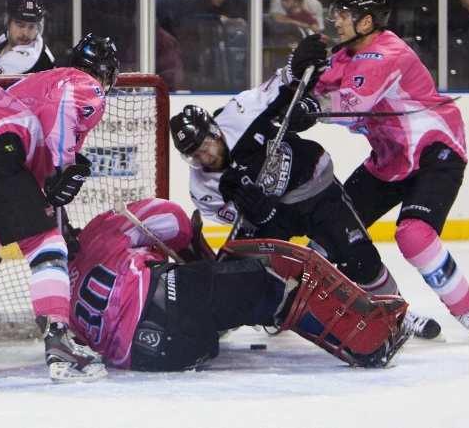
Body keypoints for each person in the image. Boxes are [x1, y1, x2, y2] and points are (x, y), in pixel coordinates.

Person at [286, 0, 469, 340]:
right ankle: (393, 308)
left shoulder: (388, 54)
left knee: (414, 234)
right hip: (389, 160)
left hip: (435, 152)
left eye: (344, 15)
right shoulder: (343, 55)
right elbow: (313, 91)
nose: (336, 20)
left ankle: (467, 310)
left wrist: (311, 106)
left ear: (367, 21)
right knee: (331, 234)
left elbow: (354, 101)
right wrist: (296, 75)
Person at [169, 69, 441, 339]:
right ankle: (249, 313)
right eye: (195, 154)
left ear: (215, 131)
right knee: (244, 271)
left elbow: (281, 84)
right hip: (274, 217)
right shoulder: (201, 186)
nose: (205, 157)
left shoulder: (239, 113)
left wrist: (298, 66)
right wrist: (259, 213)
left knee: (359, 258)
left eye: (205, 145)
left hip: (313, 187)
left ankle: (398, 312)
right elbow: (231, 216)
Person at [0, 33, 119, 382]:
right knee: (48, 243)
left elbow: (30, 132)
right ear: (106, 73)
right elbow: (63, 105)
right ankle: (59, 339)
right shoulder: (83, 84)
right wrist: (64, 165)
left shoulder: (43, 78)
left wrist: (46, 193)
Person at [64, 197, 411, 371]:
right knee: (270, 282)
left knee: (221, 299)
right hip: (170, 305)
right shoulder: (101, 229)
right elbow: (176, 221)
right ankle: (365, 344)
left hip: (155, 357)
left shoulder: (62, 295)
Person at [0, 0, 55, 75]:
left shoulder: (43, 62)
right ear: (8, 22)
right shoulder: (1, 43)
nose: (25, 33)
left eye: (31, 26)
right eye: (20, 24)